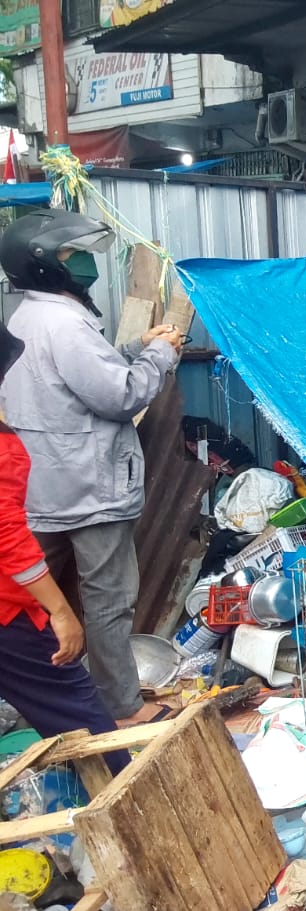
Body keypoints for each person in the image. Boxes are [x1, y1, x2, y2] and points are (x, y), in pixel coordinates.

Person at [0, 210, 182, 726]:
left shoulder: (25, 316)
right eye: (69, 252)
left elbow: (76, 374)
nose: (81, 260)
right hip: (91, 486)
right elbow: (119, 396)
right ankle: (123, 709)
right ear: (44, 264)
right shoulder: (65, 322)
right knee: (107, 602)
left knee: (26, 599)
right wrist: (160, 356)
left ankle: (41, 703)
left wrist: (135, 347)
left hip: (43, 487)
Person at [0, 322, 130, 773]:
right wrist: (58, 610)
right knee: (80, 713)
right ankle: (132, 796)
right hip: (8, 614)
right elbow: (8, 538)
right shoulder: (3, 449)